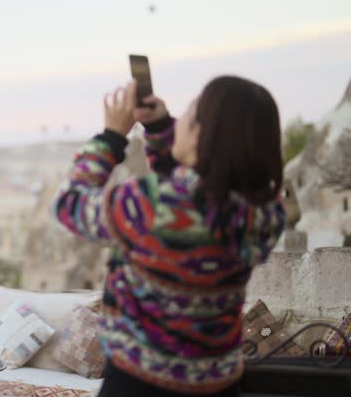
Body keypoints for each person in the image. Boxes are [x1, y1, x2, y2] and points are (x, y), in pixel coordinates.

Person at [54, 77, 285, 396]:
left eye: (190, 112)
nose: (182, 120)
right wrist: (160, 126)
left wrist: (111, 137)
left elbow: (69, 204)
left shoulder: (150, 204)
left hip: (139, 383)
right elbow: (191, 191)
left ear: (205, 133)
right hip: (219, 380)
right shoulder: (265, 213)